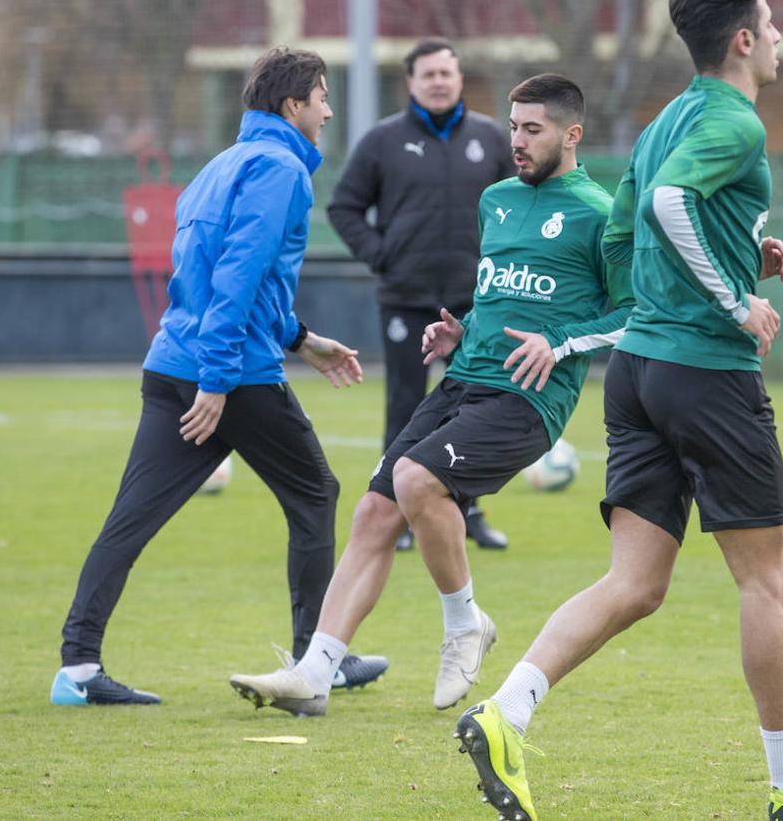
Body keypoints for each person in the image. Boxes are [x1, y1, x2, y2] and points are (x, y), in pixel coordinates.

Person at [455, 0, 783, 820]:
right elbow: (666, 211)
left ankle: (505, 714)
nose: (778, 37)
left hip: (641, 374)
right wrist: (734, 300)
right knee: (766, 581)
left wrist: (730, 256)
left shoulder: (664, 123)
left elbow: (626, 228)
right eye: (769, 25)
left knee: (635, 584)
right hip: (707, 375)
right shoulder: (730, 119)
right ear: (739, 40)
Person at [228, 73, 633, 718]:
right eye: (513, 127)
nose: (518, 141)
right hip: (463, 380)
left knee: (417, 481)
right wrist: (461, 329)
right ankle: (314, 672)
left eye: (533, 129)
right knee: (373, 514)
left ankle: (465, 624)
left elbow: (633, 314)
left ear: (572, 134)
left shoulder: (600, 213)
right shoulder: (497, 199)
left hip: (527, 398)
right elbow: (504, 295)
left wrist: (556, 344)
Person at [49, 47, 388, 707]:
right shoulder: (283, 168)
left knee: (131, 518)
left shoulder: (223, 165)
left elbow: (221, 280)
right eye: (321, 96)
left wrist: (302, 339)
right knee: (317, 493)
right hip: (229, 375)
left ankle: (78, 670)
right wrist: (218, 380)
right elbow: (236, 276)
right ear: (293, 107)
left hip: (173, 363)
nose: (328, 108)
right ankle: (315, 663)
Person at [327, 37, 515, 551]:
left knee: (473, 410)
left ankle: (467, 513)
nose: (438, 82)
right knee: (407, 407)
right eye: (427, 74)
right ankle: (398, 516)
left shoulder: (491, 139)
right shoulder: (382, 141)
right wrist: (383, 255)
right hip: (406, 298)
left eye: (446, 74)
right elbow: (343, 208)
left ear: (459, 80)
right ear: (410, 82)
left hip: (475, 305)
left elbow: (517, 210)